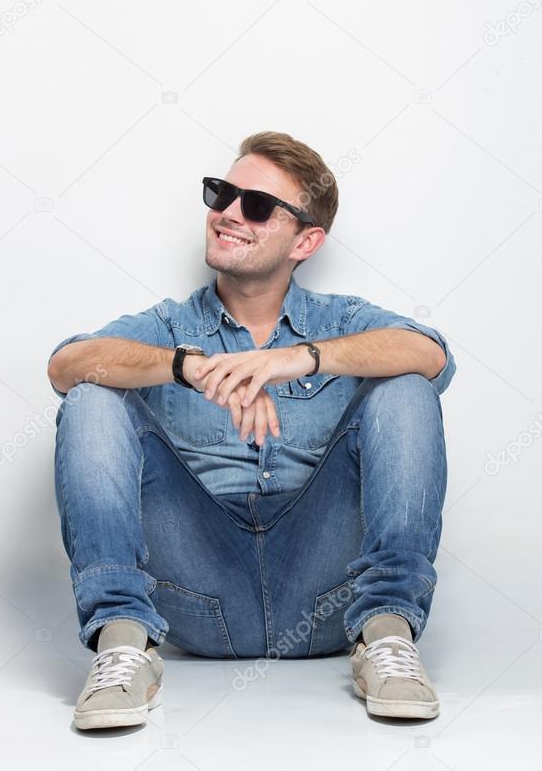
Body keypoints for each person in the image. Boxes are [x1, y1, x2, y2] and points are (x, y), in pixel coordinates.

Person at [48, 130, 455, 730]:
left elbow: (431, 354)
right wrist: (186, 366)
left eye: (257, 206)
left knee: (407, 383)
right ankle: (123, 644)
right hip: (196, 594)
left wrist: (299, 358)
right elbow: (65, 365)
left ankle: (388, 636)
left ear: (306, 240)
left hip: (328, 598)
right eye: (222, 194)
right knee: (91, 396)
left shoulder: (340, 323)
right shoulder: (171, 324)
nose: (229, 213)